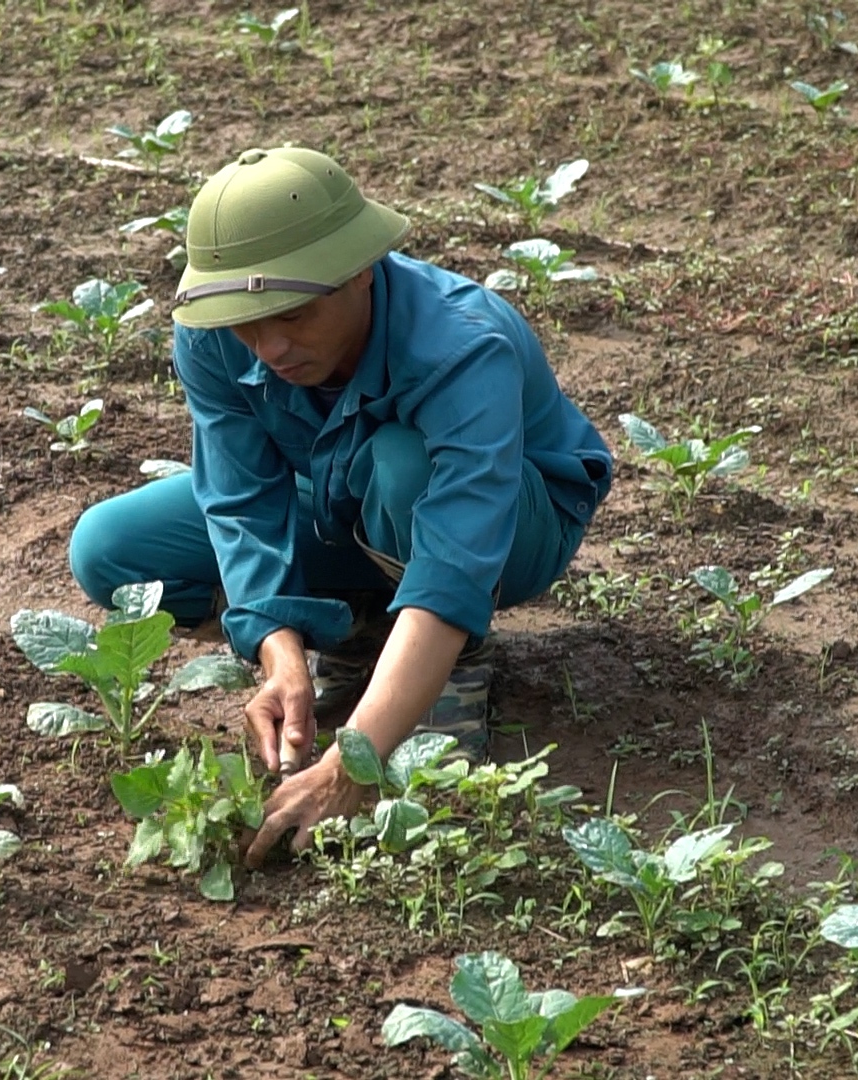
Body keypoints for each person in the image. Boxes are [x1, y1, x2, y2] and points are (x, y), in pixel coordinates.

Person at [68, 146, 612, 865]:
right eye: (246, 324)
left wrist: (355, 761)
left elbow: (455, 557)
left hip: (509, 529)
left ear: (359, 270)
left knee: (401, 465)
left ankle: (445, 666)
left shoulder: (462, 345)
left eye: (293, 313)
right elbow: (239, 502)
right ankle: (359, 638)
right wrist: (279, 653)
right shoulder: (213, 332)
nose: (270, 348)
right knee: (112, 547)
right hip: (339, 500)